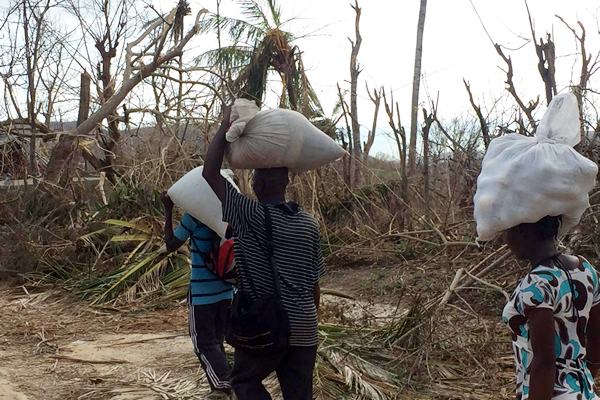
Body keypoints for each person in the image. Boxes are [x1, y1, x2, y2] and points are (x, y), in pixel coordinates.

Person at [202, 106, 325, 400]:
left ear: (258, 184)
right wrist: (306, 322)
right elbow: (315, 284)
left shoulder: (249, 214)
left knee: (244, 382)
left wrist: (223, 127)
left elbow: (210, 173)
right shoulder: (308, 223)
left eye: (255, 177)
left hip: (266, 325)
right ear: (286, 183)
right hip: (305, 326)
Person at [502, 215, 600, 400]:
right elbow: (596, 336)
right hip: (585, 392)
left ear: (522, 230)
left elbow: (545, 362)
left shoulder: (536, 284)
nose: (505, 239)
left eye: (507, 231)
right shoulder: (585, 269)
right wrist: (584, 381)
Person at [161, 193, 234, 399]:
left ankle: (224, 385)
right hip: (227, 290)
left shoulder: (193, 216)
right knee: (217, 340)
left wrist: (168, 210)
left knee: (203, 342)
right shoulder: (228, 215)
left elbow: (170, 244)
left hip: (203, 294)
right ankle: (222, 389)